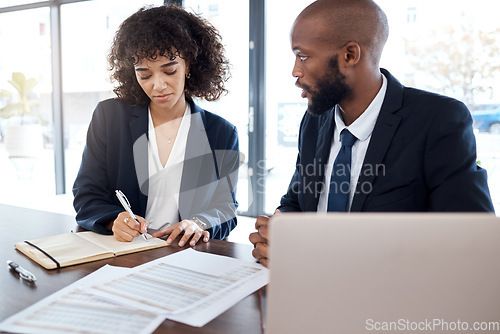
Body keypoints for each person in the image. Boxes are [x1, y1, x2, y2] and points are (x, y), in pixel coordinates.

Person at [250, 0, 494, 267]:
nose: (295, 71)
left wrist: (316, 252)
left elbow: (473, 244)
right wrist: (280, 231)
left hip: (392, 299)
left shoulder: (437, 120)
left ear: (350, 55)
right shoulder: (314, 120)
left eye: (304, 56)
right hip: (307, 289)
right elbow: (296, 200)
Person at [73, 4, 240, 247]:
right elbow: (87, 194)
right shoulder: (109, 117)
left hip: (182, 255)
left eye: (169, 71)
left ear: (189, 65)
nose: (158, 85)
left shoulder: (222, 133)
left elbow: (226, 208)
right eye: (145, 74)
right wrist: (114, 220)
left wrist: (199, 223)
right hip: (123, 252)